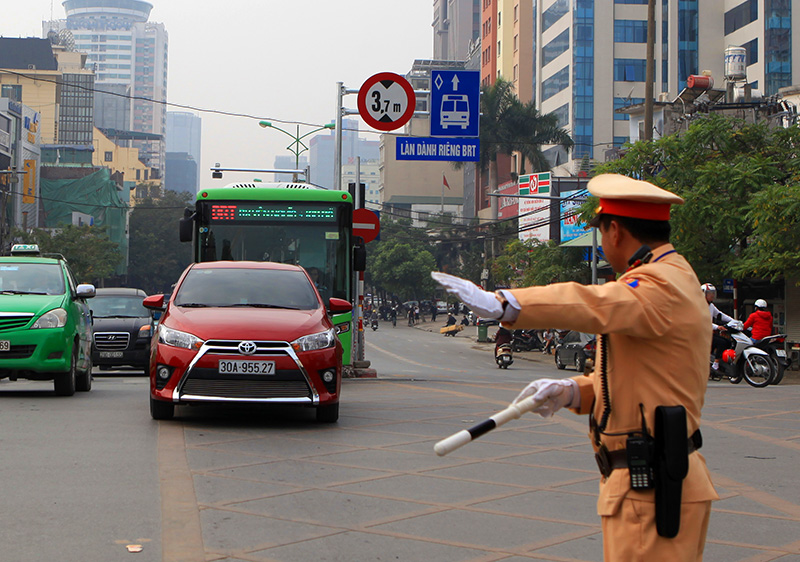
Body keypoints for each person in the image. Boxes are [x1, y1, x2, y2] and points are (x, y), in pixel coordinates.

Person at [432, 173, 717, 561]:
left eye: (600, 232)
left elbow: (592, 303)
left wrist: (505, 304)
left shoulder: (659, 284)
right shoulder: (671, 277)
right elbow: (643, 383)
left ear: (614, 231)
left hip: (652, 488)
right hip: (648, 483)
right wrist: (573, 392)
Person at [703, 283, 734, 372]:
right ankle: (715, 365)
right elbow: (704, 322)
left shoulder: (711, 306)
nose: (712, 295)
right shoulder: (700, 306)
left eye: (713, 293)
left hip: (709, 333)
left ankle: (716, 360)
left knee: (728, 342)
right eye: (709, 293)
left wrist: (733, 321)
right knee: (721, 343)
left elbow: (720, 315)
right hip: (702, 334)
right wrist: (717, 327)